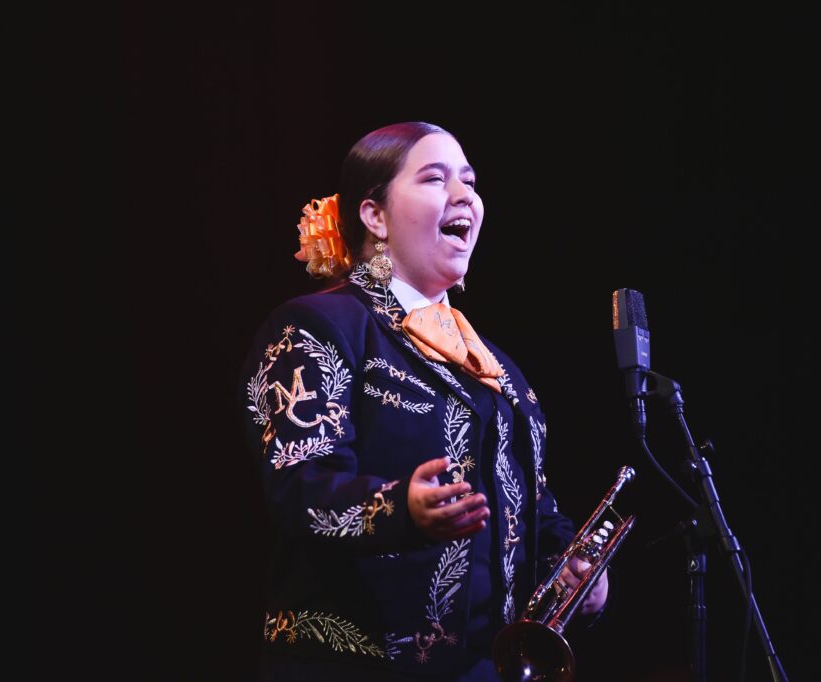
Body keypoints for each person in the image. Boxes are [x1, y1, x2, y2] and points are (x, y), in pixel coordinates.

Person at [239, 122, 609, 681]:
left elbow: (531, 504)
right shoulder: (319, 325)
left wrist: (570, 563)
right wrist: (398, 508)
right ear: (375, 216)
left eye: (469, 180)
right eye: (435, 179)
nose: (464, 195)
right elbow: (300, 487)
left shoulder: (499, 368)